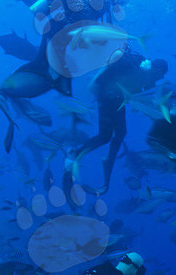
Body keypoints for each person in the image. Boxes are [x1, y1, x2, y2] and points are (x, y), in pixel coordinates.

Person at [68, 49, 168, 193]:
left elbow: (147, 101)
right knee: (106, 136)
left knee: (115, 135)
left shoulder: (149, 79)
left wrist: (158, 116)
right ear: (155, 69)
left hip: (117, 100)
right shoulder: (133, 66)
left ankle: (98, 161)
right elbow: (102, 80)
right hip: (107, 97)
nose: (159, 79)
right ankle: (77, 156)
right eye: (160, 75)